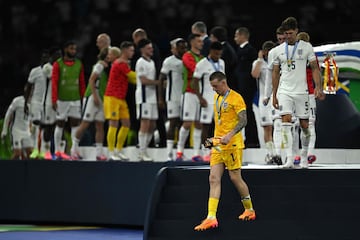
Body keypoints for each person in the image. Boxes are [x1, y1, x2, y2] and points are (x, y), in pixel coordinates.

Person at [194, 71, 256, 231]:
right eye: (212, 87)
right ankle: (211, 217)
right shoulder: (217, 97)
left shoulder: (236, 98)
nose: (213, 89)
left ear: (223, 82)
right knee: (213, 178)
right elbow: (220, 121)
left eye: (215, 86)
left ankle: (249, 209)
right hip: (218, 145)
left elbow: (244, 120)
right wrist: (212, 140)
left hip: (233, 144)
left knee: (235, 178)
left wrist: (230, 135)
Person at [271, 17, 324, 168]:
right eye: (285, 33)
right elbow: (275, 73)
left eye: (290, 33)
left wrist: (318, 87)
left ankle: (304, 155)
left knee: (305, 126)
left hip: (302, 92)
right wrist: (274, 94)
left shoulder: (306, 47)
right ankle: (289, 158)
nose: (287, 36)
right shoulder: (278, 50)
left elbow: (314, 68)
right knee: (285, 123)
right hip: (285, 91)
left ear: (296, 31)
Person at [70, 47, 110, 161]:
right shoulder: (99, 65)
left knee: (100, 125)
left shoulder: (107, 67)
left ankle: (99, 153)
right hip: (93, 96)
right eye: (109, 54)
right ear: (106, 55)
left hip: (101, 98)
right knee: (85, 124)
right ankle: (73, 149)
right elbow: (91, 80)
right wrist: (95, 96)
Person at [52, 40, 86, 160]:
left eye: (75, 49)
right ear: (66, 49)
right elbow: (54, 83)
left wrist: (83, 98)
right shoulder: (58, 64)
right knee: (60, 124)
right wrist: (54, 99)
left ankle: (74, 151)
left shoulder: (79, 64)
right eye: (71, 48)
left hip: (75, 99)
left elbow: (82, 83)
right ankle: (57, 151)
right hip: (62, 100)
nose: (74, 51)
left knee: (75, 124)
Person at [192, 41, 225, 160]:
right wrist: (200, 98)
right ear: (210, 52)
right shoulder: (202, 64)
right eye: (216, 54)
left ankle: (215, 150)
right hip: (206, 100)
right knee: (205, 126)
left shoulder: (222, 63)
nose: (218, 57)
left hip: (219, 100)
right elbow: (194, 82)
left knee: (218, 126)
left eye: (220, 54)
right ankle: (205, 151)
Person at [103, 44, 135, 160]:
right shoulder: (120, 63)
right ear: (124, 51)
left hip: (121, 98)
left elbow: (131, 78)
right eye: (131, 50)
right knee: (114, 124)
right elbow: (132, 76)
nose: (133, 52)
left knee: (126, 123)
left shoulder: (123, 64)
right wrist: (144, 76)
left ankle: (118, 150)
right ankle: (111, 152)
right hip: (112, 97)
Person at [158, 38, 188, 161]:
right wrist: (160, 98)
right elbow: (161, 79)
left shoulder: (187, 60)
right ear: (174, 48)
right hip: (172, 97)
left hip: (185, 97)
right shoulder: (169, 61)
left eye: (185, 47)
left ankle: (180, 152)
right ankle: (169, 152)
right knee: (173, 123)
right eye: (181, 47)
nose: (184, 50)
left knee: (183, 124)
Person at [175, 33, 204, 161]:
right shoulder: (187, 56)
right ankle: (179, 152)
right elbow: (194, 69)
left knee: (199, 124)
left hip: (200, 94)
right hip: (189, 93)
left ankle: (196, 153)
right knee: (187, 123)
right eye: (198, 41)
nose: (201, 43)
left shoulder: (202, 57)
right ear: (192, 42)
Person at [251, 40, 278, 164]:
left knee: (277, 127)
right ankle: (270, 153)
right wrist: (260, 60)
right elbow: (254, 75)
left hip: (276, 98)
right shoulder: (258, 63)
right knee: (267, 128)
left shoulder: (278, 62)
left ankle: (278, 153)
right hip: (263, 100)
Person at [295, 31, 320, 164]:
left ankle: (304, 153)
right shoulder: (311, 55)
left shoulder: (299, 55)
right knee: (308, 124)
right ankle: (308, 152)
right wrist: (318, 87)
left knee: (302, 125)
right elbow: (317, 71)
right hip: (307, 93)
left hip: (300, 93)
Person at [233, 27, 260, 148]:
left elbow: (251, 72)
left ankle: (252, 139)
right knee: (242, 113)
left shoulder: (250, 51)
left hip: (247, 89)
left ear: (243, 36)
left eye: (236, 36)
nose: (235, 38)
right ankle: (246, 138)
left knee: (247, 112)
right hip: (240, 88)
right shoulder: (239, 50)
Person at [135, 39, 161, 161]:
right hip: (143, 97)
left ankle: (144, 148)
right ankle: (141, 152)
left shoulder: (151, 62)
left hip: (152, 97)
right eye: (149, 48)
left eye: (151, 48)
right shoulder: (140, 62)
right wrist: (158, 83)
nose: (151, 50)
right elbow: (143, 80)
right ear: (142, 49)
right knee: (144, 123)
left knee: (152, 124)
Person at [27, 49, 50, 159]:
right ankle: (34, 150)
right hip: (35, 102)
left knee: (45, 127)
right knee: (35, 126)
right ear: (41, 59)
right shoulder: (35, 71)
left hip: (46, 104)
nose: (46, 59)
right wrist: (26, 103)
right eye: (44, 57)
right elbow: (28, 87)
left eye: (47, 57)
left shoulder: (50, 72)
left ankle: (44, 151)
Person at [1, 84, 33, 159]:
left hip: (26, 132)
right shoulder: (17, 101)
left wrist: (31, 129)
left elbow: (31, 118)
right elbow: (8, 114)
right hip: (16, 131)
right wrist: (4, 130)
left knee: (30, 154)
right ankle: (8, 169)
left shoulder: (33, 104)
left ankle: (25, 170)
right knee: (17, 154)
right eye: (29, 91)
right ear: (26, 91)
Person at [41, 47, 62, 159]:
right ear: (53, 56)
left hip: (59, 101)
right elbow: (55, 78)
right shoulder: (47, 67)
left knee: (57, 126)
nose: (60, 57)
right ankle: (45, 151)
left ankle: (56, 151)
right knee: (48, 126)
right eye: (58, 55)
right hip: (48, 101)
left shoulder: (59, 67)